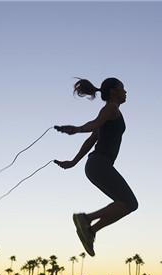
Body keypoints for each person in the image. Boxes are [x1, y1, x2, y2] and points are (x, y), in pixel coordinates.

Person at [54, 78, 138, 257]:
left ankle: (90, 231)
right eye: (123, 88)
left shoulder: (110, 112)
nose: (126, 92)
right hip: (99, 163)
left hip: (96, 165)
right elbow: (93, 126)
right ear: (114, 91)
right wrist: (76, 129)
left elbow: (91, 139)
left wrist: (73, 162)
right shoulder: (111, 108)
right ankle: (86, 219)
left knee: (126, 204)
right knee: (130, 203)